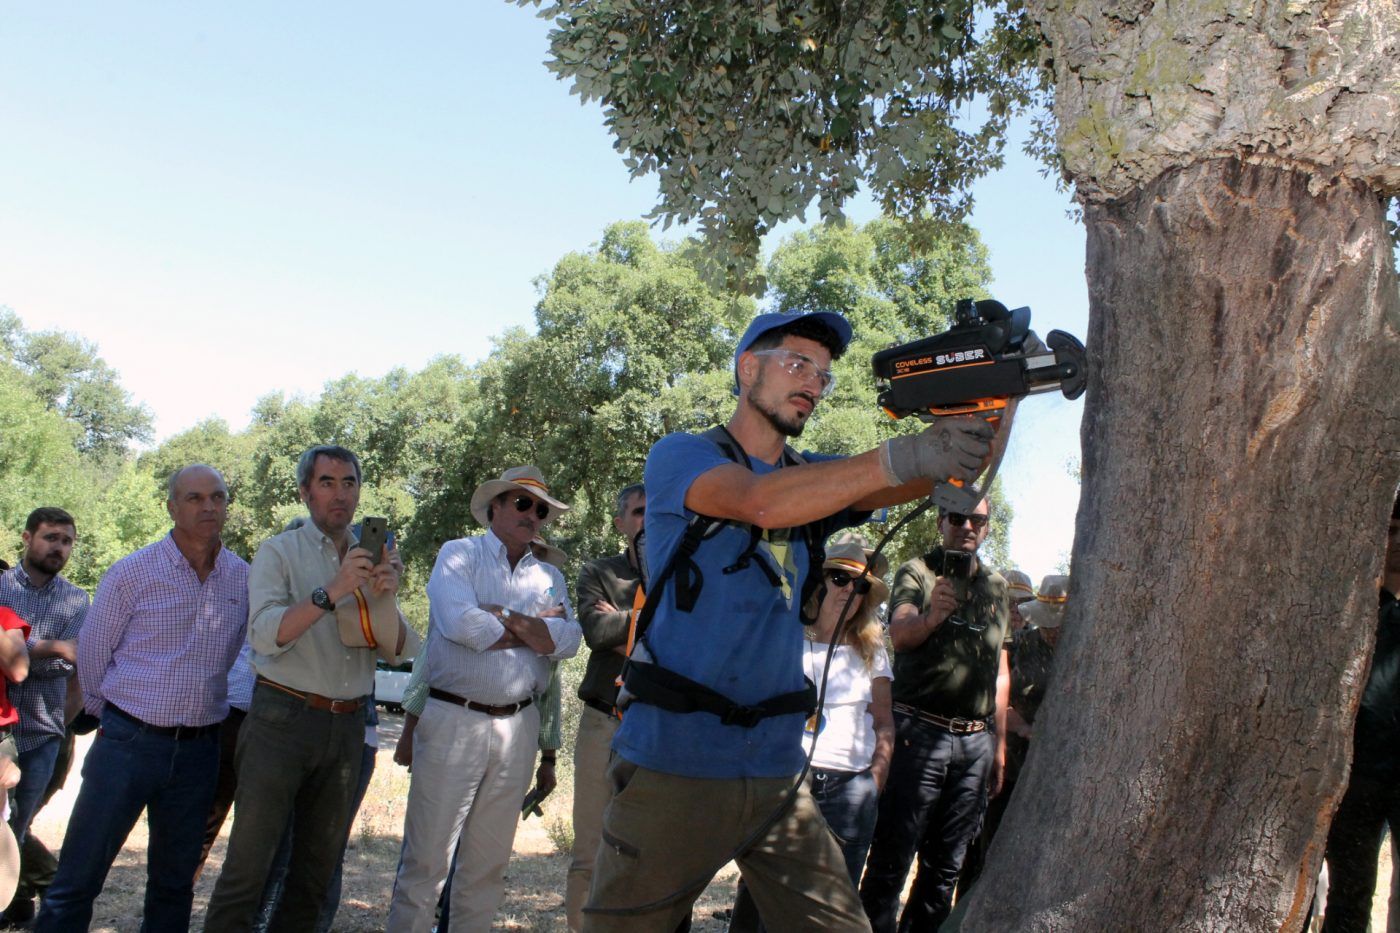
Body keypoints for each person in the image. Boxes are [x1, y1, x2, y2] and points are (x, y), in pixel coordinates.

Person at [584, 309, 992, 932]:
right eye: (797, 364)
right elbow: (759, 502)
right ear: (748, 368)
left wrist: (989, 405)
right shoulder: (683, 456)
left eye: (823, 375)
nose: (813, 383)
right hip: (676, 761)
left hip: (778, 771)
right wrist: (905, 453)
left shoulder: (813, 478)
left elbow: (917, 477)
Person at [205, 445, 417, 932]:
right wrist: (333, 590)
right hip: (283, 719)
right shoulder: (279, 552)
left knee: (314, 876)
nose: (340, 494)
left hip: (347, 727)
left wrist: (386, 597)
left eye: (349, 483)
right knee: (248, 868)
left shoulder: (371, 555)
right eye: (327, 483)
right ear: (305, 492)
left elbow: (398, 652)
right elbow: (265, 634)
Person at [35, 465, 247, 933]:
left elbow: (235, 651)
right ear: (171, 507)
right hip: (128, 743)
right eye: (194, 498)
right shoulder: (133, 572)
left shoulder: (242, 579)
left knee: (174, 886)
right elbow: (92, 654)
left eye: (218, 496)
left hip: (199, 752)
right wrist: (108, 717)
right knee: (79, 877)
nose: (208, 506)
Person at [386, 466, 581, 932]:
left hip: (519, 727)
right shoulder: (459, 554)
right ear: (494, 506)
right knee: (427, 862)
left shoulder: (551, 575)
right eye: (522, 503)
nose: (533, 514)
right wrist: (536, 630)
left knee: (487, 867)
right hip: (455, 717)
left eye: (541, 509)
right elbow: (462, 627)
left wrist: (505, 617)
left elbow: (570, 640)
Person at [727, 534, 895, 932]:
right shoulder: (784, 636)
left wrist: (875, 778)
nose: (849, 591)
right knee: (761, 896)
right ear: (818, 581)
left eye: (860, 585)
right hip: (785, 783)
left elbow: (884, 721)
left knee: (835, 905)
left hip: (849, 791)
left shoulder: (873, 650)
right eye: (839, 578)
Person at [859, 497, 1010, 933]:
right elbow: (901, 635)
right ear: (941, 521)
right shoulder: (918, 572)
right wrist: (932, 617)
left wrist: (998, 745)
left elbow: (999, 668)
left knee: (945, 868)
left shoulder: (997, 587)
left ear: (986, 527)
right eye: (958, 518)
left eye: (977, 519)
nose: (967, 526)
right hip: (917, 734)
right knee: (891, 859)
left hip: (975, 743)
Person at [0, 508, 88, 924]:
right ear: (26, 537)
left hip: (44, 732)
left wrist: (20, 651)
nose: (59, 547)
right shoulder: (0, 588)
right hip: (1, 730)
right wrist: (53, 648)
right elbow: (56, 658)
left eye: (66, 541)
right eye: (51, 537)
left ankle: (14, 904)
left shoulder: (76, 599)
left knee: (17, 829)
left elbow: (74, 665)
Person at [566, 482, 645, 932]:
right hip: (603, 720)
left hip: (657, 724)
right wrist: (652, 621)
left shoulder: (680, 571)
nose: (645, 521)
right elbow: (596, 634)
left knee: (646, 851)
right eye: (636, 513)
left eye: (653, 512)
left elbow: (688, 645)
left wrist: (625, 623)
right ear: (620, 523)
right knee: (589, 850)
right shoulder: (598, 571)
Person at [1320, 494, 1400, 932]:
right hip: (1357, 780)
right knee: (1349, 897)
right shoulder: (1350, 612)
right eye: (1390, 531)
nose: (1399, 542)